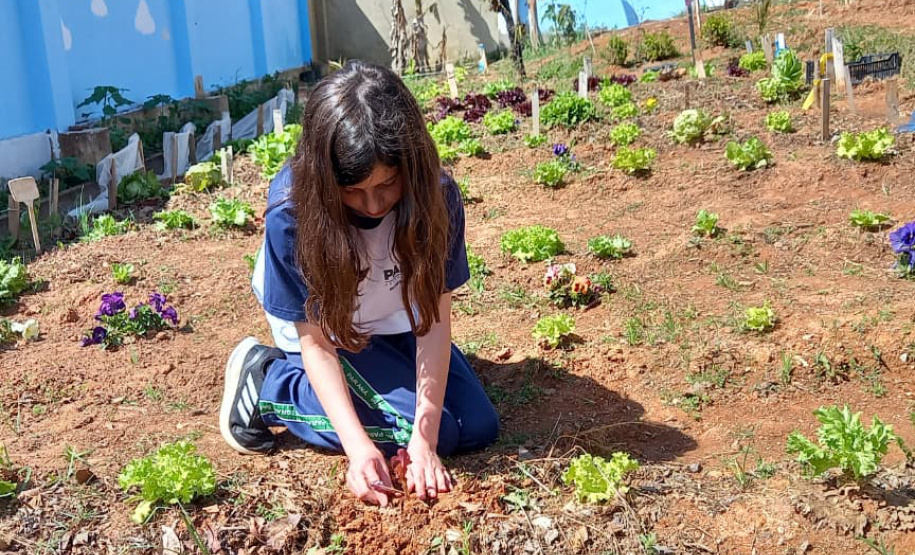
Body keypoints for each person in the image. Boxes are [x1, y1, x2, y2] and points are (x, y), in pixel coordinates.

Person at [219, 60, 500, 506]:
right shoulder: (293, 216)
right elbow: (315, 343)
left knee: (477, 427)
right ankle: (267, 382)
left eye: (388, 184)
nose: (373, 204)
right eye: (352, 190)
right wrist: (357, 447)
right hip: (329, 332)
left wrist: (422, 442)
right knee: (444, 430)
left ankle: (386, 371)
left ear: (410, 164)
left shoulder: (437, 196)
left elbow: (434, 320)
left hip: (398, 316)